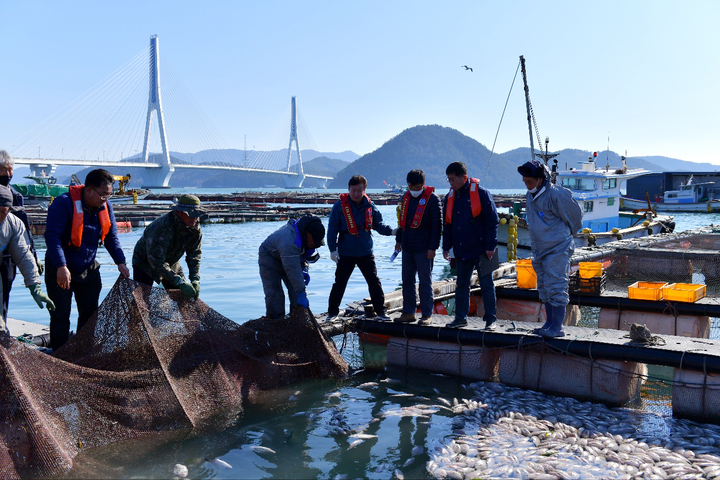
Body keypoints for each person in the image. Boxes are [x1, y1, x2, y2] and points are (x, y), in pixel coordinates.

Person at [44, 168, 130, 350]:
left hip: (88, 267)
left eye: (109, 195)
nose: (106, 199)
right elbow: (52, 237)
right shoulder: (63, 204)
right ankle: (60, 355)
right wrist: (61, 265)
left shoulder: (105, 206)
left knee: (90, 315)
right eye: (103, 194)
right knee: (60, 314)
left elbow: (111, 237)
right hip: (61, 268)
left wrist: (120, 262)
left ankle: (83, 354)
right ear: (89, 190)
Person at [518, 160, 583, 338]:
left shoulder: (557, 194)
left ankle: (557, 327)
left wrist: (566, 236)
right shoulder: (531, 195)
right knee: (545, 287)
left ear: (540, 179)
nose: (527, 185)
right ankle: (549, 323)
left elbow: (575, 217)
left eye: (529, 181)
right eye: (525, 182)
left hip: (558, 248)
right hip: (540, 249)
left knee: (556, 285)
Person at [327, 175, 395, 321]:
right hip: (345, 252)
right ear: (348, 189)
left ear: (365, 190)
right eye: (353, 190)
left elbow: (379, 225)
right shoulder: (339, 206)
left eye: (359, 190)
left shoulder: (370, 206)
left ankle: (381, 312)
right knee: (340, 283)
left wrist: (393, 232)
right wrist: (332, 250)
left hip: (365, 251)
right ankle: (332, 313)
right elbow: (332, 229)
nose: (356, 194)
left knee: (373, 281)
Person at [442, 161, 499, 329]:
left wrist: (491, 246)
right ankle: (460, 318)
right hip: (462, 249)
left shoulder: (482, 193)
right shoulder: (450, 197)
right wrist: (446, 247)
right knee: (461, 285)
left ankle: (490, 320)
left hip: (484, 250)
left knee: (487, 284)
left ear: (464, 177)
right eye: (449, 180)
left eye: (453, 179)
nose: (451, 183)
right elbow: (448, 225)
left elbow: (493, 221)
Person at [0, 186, 54, 334]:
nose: (1, 216)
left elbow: (23, 254)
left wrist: (35, 287)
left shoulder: (13, 224)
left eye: (4, 212)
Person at [132, 194, 205, 298]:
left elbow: (194, 254)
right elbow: (156, 261)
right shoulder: (161, 227)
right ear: (180, 212)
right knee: (141, 300)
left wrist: (195, 278)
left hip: (172, 261)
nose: (194, 218)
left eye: (197, 215)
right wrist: (178, 281)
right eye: (191, 214)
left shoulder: (194, 228)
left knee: (184, 297)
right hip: (145, 263)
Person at [394, 169, 442, 325]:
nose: (414, 190)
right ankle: (409, 312)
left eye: (417, 187)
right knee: (407, 281)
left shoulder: (433, 199)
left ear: (423, 184)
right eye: (411, 187)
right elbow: (402, 222)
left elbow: (437, 226)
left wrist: (433, 247)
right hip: (407, 246)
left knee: (425, 281)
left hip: (424, 248)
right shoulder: (406, 197)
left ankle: (427, 314)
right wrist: (399, 240)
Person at [0, 150, 42, 320]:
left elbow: (23, 234)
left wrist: (34, 255)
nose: (8, 174)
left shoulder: (15, 197)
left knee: (4, 292)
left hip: (8, 253)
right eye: (4, 170)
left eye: (11, 170)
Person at [258, 214, 325, 318]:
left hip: (289, 258)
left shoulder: (309, 238)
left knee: (296, 292)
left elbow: (303, 257)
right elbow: (292, 269)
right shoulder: (289, 240)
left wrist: (304, 269)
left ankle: (298, 318)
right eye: (314, 241)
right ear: (307, 234)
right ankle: (275, 321)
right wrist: (301, 292)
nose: (315, 244)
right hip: (269, 257)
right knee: (275, 293)